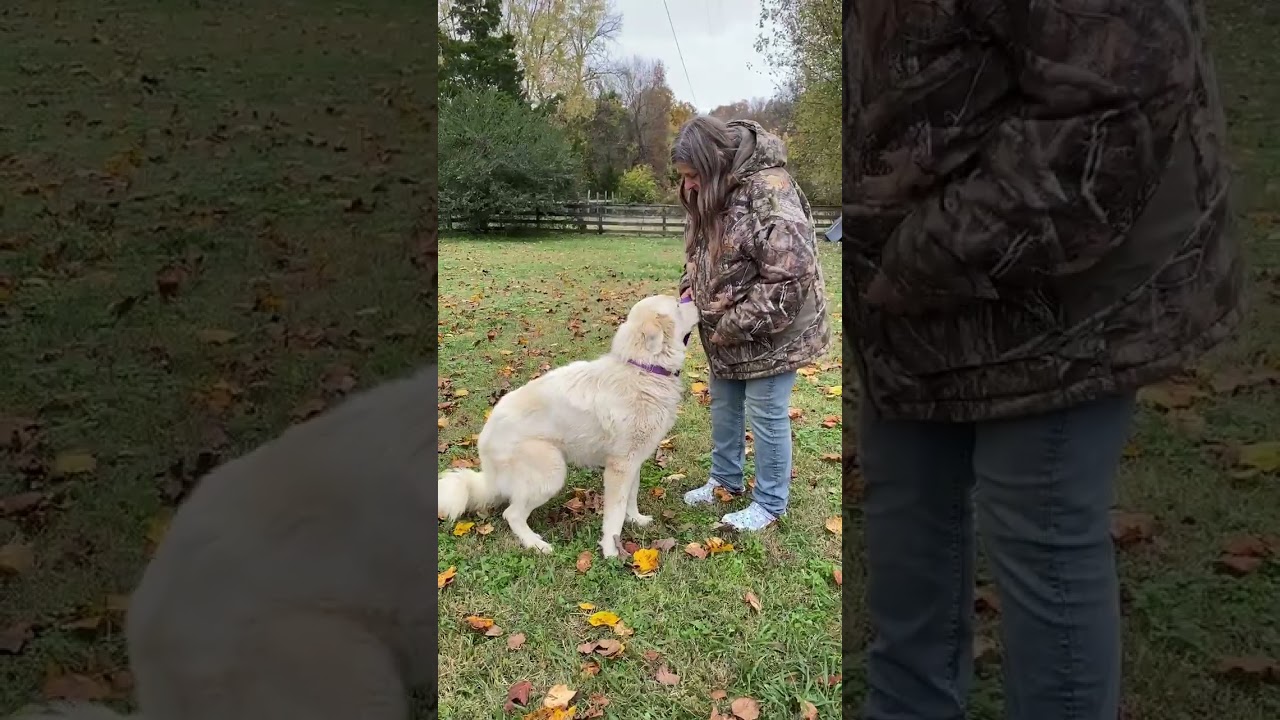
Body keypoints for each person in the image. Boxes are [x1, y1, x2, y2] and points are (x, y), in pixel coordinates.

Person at [846, 2, 1243, 719]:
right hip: (905, 301)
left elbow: (1121, 90)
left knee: (1042, 531)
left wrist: (925, 250)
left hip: (1063, 286)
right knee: (906, 536)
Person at [672, 116, 832, 531]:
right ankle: (725, 480)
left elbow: (790, 279)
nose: (688, 185)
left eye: (692, 176)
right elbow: (702, 253)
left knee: (766, 411)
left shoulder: (770, 194)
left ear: (713, 163)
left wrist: (727, 326)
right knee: (724, 402)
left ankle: (769, 503)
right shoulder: (712, 190)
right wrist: (689, 292)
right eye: (683, 177)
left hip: (776, 331)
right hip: (726, 325)